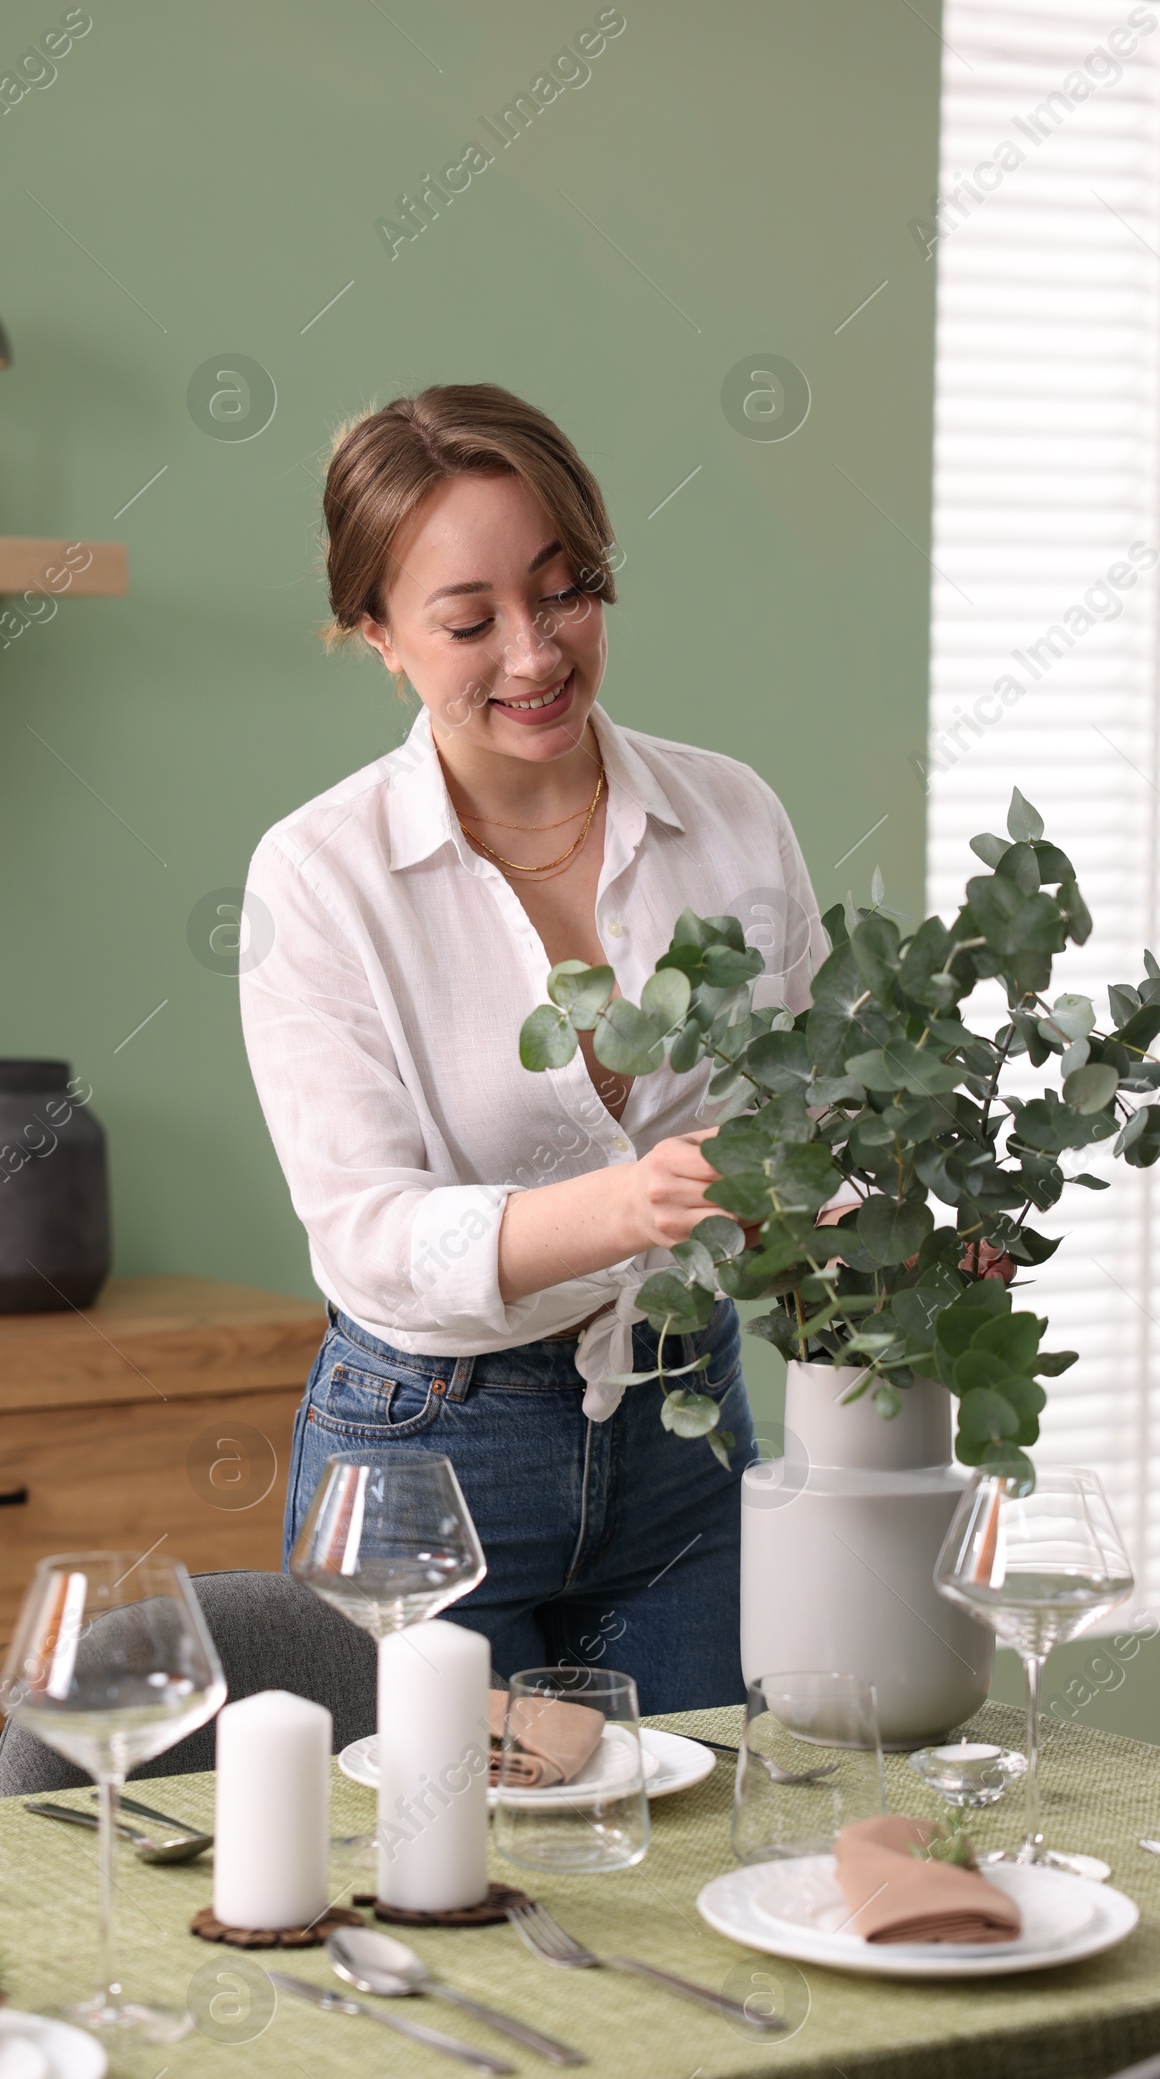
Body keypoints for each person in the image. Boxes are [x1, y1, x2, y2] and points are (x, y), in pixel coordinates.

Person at [241, 383, 824, 1711]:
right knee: (442, 1881)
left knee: (690, 1868)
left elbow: (810, 1116)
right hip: (425, 1463)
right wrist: (630, 1204)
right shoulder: (322, 877)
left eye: (566, 592)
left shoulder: (729, 817)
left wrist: (894, 1240)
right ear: (376, 635)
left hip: (684, 1427)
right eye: (468, 620)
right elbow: (367, 1235)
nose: (534, 652)